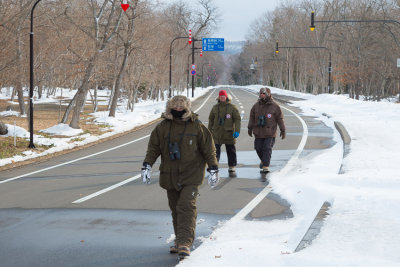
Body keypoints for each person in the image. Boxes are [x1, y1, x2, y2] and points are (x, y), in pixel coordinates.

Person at [141, 95, 219, 259]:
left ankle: (185, 243)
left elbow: (209, 150)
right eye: (174, 107)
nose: (178, 110)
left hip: (191, 176)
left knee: (186, 206)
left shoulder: (196, 127)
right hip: (170, 176)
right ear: (170, 108)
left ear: (187, 108)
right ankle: (179, 241)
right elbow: (153, 149)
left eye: (181, 107)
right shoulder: (162, 128)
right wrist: (147, 164)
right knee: (176, 209)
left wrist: (213, 168)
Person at [247, 87, 286, 173]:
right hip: (258, 132)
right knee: (258, 148)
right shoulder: (256, 106)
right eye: (261, 93)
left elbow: (280, 118)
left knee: (267, 148)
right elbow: (251, 118)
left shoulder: (275, 106)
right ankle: (263, 160)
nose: (262, 95)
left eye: (264, 93)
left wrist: (283, 130)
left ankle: (265, 166)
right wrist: (249, 128)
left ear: (268, 94)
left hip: (270, 132)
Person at [208, 89, 241, 172]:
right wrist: (209, 131)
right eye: (221, 96)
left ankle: (232, 165)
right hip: (217, 133)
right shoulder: (215, 108)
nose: (222, 98)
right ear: (219, 97)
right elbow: (211, 119)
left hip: (229, 133)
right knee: (215, 151)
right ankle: (214, 166)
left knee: (231, 150)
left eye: (224, 96)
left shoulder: (232, 108)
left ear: (226, 97)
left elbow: (237, 119)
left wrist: (237, 130)